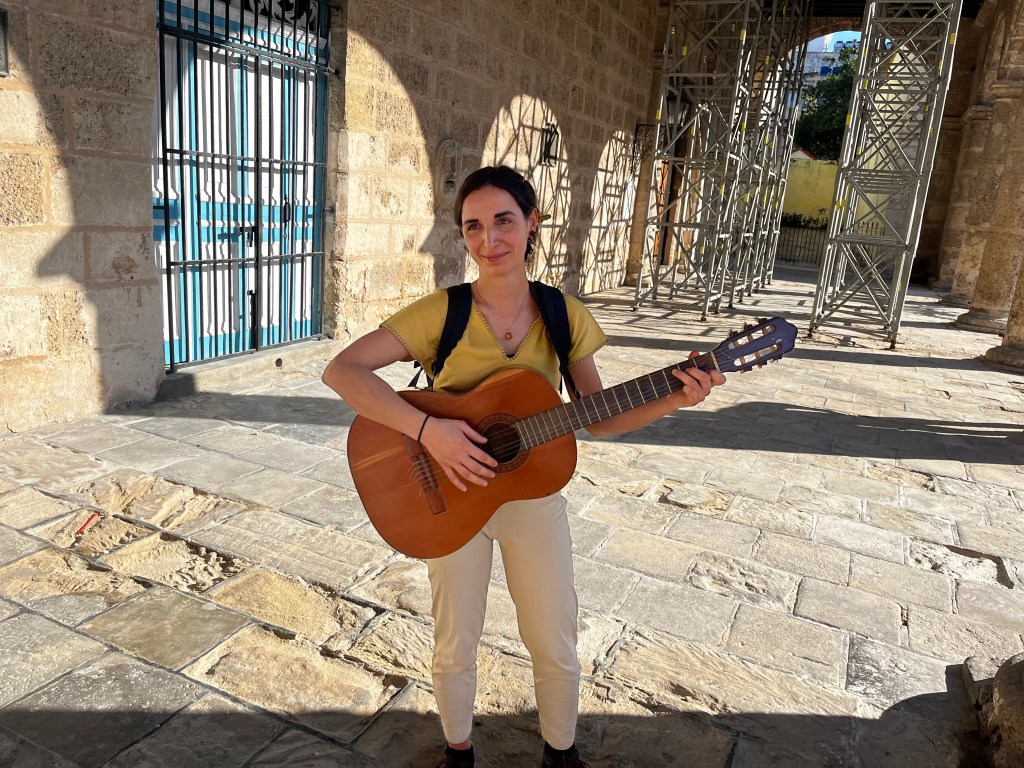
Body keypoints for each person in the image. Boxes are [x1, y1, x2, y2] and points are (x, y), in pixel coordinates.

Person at [322, 165, 726, 768]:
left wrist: (675, 396)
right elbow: (343, 371)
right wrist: (430, 431)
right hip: (451, 495)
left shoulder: (563, 316)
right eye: (473, 227)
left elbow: (595, 414)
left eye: (503, 221)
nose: (489, 240)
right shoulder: (442, 313)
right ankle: (459, 751)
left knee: (555, 636)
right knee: (456, 638)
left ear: (532, 223)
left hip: (532, 499)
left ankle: (560, 754)